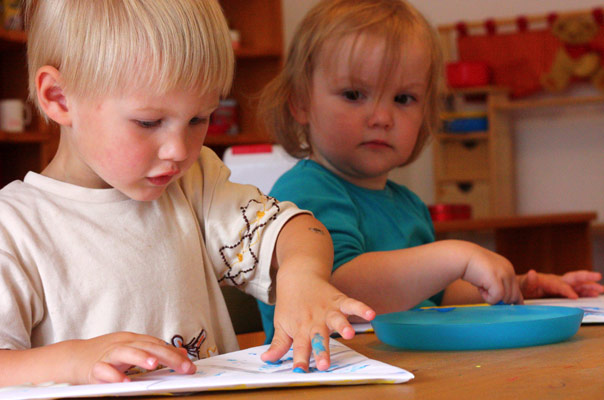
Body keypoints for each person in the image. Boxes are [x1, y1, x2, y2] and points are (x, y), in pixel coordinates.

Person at [0, 0, 380, 387]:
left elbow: (296, 229)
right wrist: (73, 361)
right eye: (148, 122)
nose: (180, 150)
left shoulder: (194, 184)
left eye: (198, 118)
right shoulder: (14, 228)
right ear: (59, 98)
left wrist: (303, 274)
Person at [256, 0, 604, 342]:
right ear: (300, 102)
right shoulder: (303, 192)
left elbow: (436, 296)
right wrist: (455, 256)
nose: (382, 117)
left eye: (404, 99)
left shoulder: (406, 204)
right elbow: (339, 291)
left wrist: (515, 286)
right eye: (353, 94)